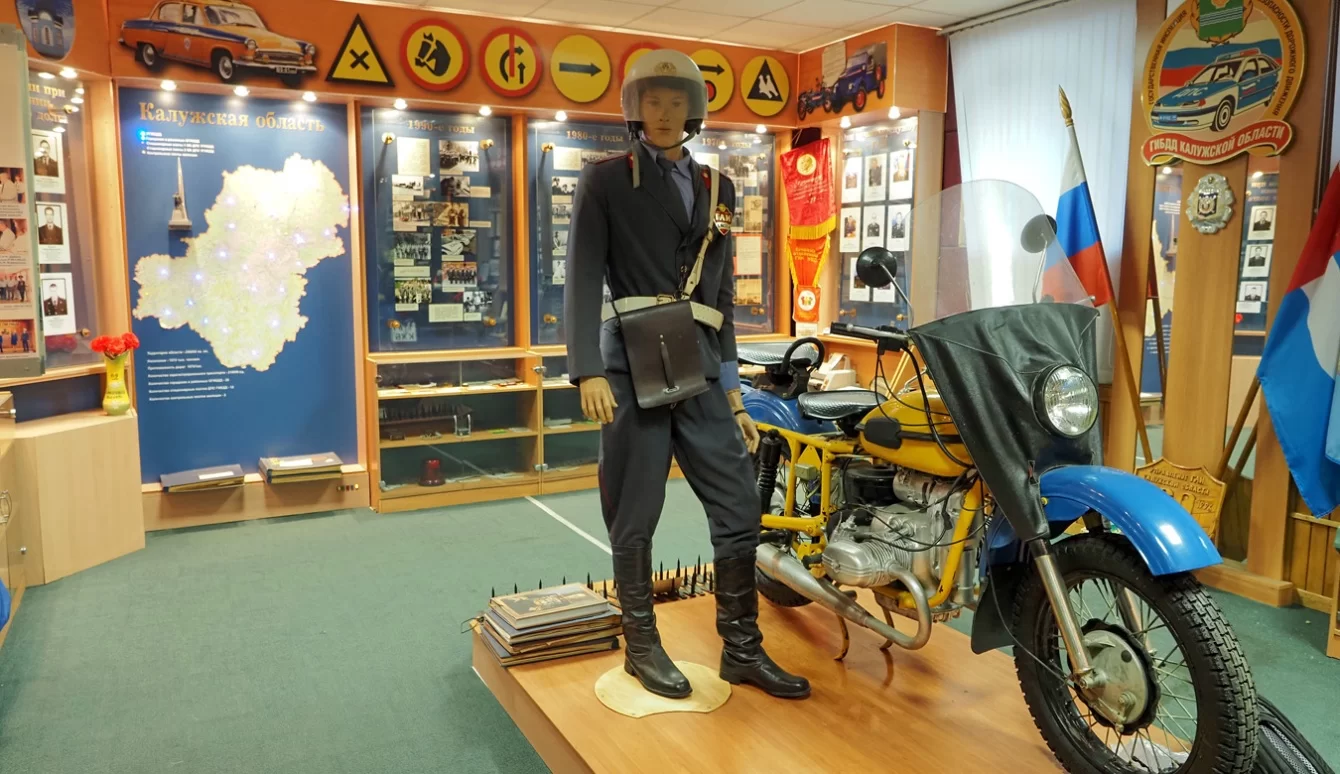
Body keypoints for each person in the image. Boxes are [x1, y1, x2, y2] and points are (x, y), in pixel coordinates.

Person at [564, 49, 809, 701]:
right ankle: (641, 647)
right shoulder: (605, 180)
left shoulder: (718, 189)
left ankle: (742, 649)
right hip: (629, 365)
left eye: (677, 102)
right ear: (635, 108)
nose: (665, 113)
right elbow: (582, 276)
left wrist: (734, 395)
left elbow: (720, 298)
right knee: (634, 509)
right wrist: (586, 371)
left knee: (738, 502)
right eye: (653, 101)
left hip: (697, 364)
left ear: (693, 110)